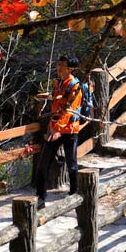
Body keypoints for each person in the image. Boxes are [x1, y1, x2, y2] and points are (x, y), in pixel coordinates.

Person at [35, 55, 83, 210]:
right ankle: (40, 196)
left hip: (69, 129)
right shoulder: (58, 83)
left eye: (62, 65)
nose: (58, 67)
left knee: (72, 164)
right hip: (54, 127)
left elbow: (69, 111)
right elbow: (57, 104)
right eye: (58, 64)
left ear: (70, 68)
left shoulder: (75, 86)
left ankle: (74, 193)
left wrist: (56, 129)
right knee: (43, 164)